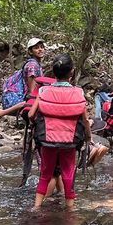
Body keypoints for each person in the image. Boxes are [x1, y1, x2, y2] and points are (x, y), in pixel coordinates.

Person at [28, 53, 92, 209]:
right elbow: (84, 120)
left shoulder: (43, 92)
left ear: (53, 72)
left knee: (45, 174)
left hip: (47, 139)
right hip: (70, 141)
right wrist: (88, 137)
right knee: (68, 174)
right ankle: (70, 208)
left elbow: (31, 114)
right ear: (71, 72)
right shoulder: (78, 93)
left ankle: (36, 207)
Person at [0, 37, 45, 117]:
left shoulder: (35, 64)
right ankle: (3, 112)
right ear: (30, 52)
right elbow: (32, 91)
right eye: (36, 48)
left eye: (42, 47)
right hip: (21, 100)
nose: (40, 49)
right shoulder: (32, 66)